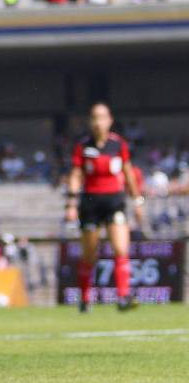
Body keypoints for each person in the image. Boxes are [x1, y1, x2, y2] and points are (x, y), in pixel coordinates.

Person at [65, 102, 144, 312]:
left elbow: (128, 172)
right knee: (89, 254)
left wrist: (137, 200)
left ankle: (123, 297)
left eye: (103, 117)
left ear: (110, 120)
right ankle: (84, 298)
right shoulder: (83, 146)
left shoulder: (118, 144)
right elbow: (75, 174)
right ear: (90, 121)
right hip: (90, 203)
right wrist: (71, 202)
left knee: (121, 249)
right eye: (95, 118)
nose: (99, 122)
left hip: (114, 201)